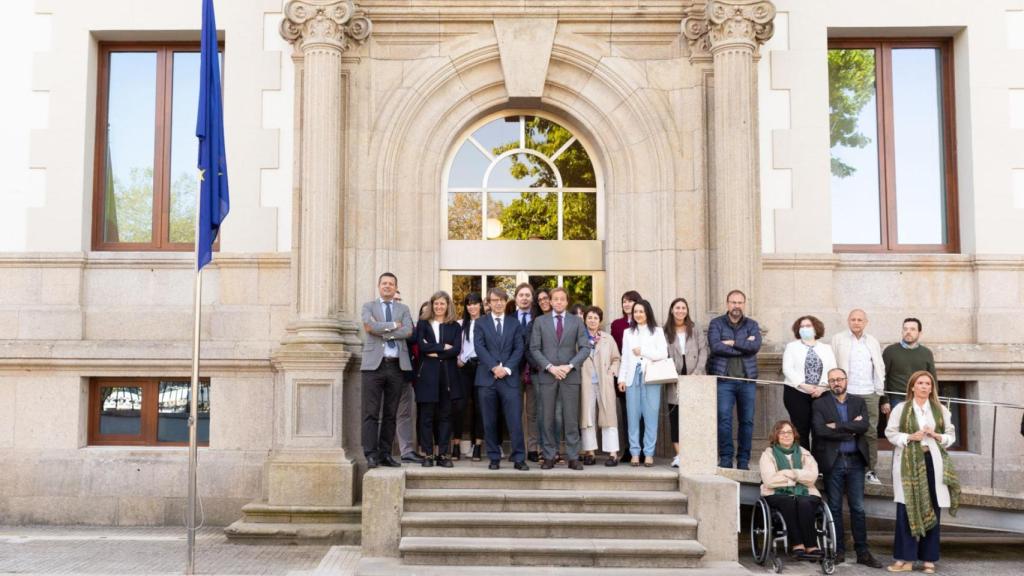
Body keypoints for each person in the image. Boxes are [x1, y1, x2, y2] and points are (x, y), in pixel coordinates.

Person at [885, 371, 960, 574]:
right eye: (920, 383)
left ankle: (929, 558)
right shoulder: (901, 408)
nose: (925, 386)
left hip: (932, 461)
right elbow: (890, 433)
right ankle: (905, 559)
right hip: (908, 463)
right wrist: (910, 436)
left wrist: (936, 435)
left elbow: (951, 435)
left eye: (928, 383)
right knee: (906, 508)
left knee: (932, 507)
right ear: (912, 387)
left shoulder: (940, 409)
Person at [812, 368, 883, 568]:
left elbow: (864, 427)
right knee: (834, 507)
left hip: (855, 462)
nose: (836, 383)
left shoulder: (858, 402)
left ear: (846, 380)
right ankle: (838, 550)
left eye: (840, 379)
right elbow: (820, 430)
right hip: (833, 462)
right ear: (828, 383)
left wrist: (837, 426)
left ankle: (863, 552)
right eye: (832, 380)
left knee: (858, 508)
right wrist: (849, 427)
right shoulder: (820, 404)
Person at [530, 286, 591, 470]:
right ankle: (549, 456)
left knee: (571, 418)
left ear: (566, 301)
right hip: (547, 376)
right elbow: (534, 349)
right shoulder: (540, 321)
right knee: (547, 417)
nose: (558, 302)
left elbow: (585, 348)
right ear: (550, 301)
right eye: (555, 299)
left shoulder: (577, 322)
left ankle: (573, 457)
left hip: (570, 375)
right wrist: (550, 367)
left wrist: (569, 365)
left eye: (561, 299)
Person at [360, 272, 413, 468]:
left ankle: (385, 453)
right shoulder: (368, 306)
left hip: (396, 366)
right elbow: (369, 326)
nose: (388, 286)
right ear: (378, 286)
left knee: (391, 413)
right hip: (374, 366)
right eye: (384, 283)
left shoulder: (403, 308)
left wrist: (383, 331)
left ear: (395, 287)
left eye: (391, 284)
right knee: (371, 412)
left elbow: (407, 331)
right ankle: (370, 453)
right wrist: (392, 326)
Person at [474, 287, 529, 471]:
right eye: (494, 300)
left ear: (506, 302)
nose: (498, 303)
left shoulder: (515, 324)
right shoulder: (481, 323)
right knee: (489, 421)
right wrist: (494, 367)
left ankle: (519, 457)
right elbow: (479, 347)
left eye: (501, 300)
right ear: (488, 303)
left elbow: (519, 349)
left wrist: (505, 368)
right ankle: (494, 457)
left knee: (514, 420)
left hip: (509, 379)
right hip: (486, 379)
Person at [708, 289, 762, 469]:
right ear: (727, 303)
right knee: (724, 421)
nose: (736, 306)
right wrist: (744, 344)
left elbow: (755, 347)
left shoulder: (752, 324)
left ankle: (743, 460)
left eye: (739, 302)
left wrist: (732, 343)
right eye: (733, 302)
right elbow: (715, 347)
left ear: (744, 304)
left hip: (747, 381)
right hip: (724, 381)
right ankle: (725, 458)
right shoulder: (716, 323)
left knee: (746, 421)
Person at [831, 309, 886, 485]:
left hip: (869, 391)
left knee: (870, 431)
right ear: (848, 321)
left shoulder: (872, 341)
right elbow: (833, 365)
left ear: (866, 322)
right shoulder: (838, 339)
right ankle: (843, 467)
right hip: (848, 392)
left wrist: (879, 390)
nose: (856, 322)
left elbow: (878, 365)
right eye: (853, 319)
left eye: (860, 320)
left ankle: (871, 470)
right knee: (845, 428)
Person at [759, 420, 824, 560]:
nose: (786, 435)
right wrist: (797, 477)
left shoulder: (804, 453)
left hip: (806, 492)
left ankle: (811, 545)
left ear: (794, 435)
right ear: (776, 435)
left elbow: (812, 477)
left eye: (789, 432)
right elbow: (770, 480)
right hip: (776, 494)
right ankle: (797, 544)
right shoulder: (768, 455)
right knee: (788, 502)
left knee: (803, 502)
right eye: (782, 433)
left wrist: (790, 473)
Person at [413, 291, 462, 467]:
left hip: (448, 376)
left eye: (442, 303)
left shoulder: (455, 326)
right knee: (426, 416)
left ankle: (442, 454)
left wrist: (435, 352)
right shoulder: (423, 324)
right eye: (436, 304)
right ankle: (427, 454)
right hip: (427, 376)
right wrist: (442, 347)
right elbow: (422, 346)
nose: (439, 307)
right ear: (432, 305)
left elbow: (456, 350)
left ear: (448, 305)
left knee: (445, 416)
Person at [617, 299, 668, 467]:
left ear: (648, 313)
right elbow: (625, 357)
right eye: (636, 311)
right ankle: (634, 453)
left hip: (651, 378)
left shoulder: (657, 331)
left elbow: (663, 353)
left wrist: (643, 351)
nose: (638, 314)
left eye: (641, 311)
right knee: (633, 417)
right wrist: (621, 379)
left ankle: (649, 453)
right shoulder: (627, 332)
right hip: (632, 379)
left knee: (651, 417)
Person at [664, 297, 709, 468]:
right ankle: (679, 454)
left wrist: (697, 372)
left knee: (694, 416)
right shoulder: (665, 330)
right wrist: (672, 374)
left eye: (683, 308)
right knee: (675, 416)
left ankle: (695, 453)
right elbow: (664, 354)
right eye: (677, 308)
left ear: (687, 310)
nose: (680, 310)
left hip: (695, 377)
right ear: (672, 310)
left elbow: (703, 350)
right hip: (674, 378)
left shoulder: (695, 329)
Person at [782, 315, 836, 451]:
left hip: (821, 393)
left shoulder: (826, 348)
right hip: (796, 393)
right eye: (802, 326)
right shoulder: (792, 347)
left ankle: (820, 466)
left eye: (808, 326)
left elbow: (832, 370)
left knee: (820, 430)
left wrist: (822, 387)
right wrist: (804, 385)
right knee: (801, 430)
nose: (804, 329)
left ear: (816, 328)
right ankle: (805, 464)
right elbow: (787, 369)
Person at [580, 306, 622, 466]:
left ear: (600, 321)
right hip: (586, 382)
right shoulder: (579, 338)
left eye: (595, 318)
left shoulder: (607, 338)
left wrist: (612, 371)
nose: (592, 320)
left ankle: (612, 453)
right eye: (589, 317)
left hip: (604, 382)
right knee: (587, 417)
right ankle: (589, 452)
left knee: (609, 416)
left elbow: (616, 358)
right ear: (585, 319)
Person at [880, 318, 936, 433]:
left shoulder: (926, 353)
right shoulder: (890, 351)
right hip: (897, 398)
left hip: (921, 398)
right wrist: (884, 400)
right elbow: (882, 376)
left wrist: (933, 401)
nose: (908, 332)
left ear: (920, 333)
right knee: (899, 433)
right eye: (905, 329)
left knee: (919, 431)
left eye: (912, 329)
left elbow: (932, 379)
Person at [394, 292, 425, 464]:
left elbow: (412, 337)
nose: (397, 302)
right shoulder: (375, 315)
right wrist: (395, 327)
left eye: (400, 299)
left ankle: (406, 451)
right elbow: (374, 333)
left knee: (404, 414)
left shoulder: (407, 318)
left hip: (404, 373)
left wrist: (389, 329)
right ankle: (380, 450)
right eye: (395, 299)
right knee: (382, 413)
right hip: (381, 371)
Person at [512, 283, 541, 462]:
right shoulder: (508, 318)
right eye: (521, 295)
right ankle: (517, 448)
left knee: (532, 412)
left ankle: (532, 448)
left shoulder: (539, 318)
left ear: (532, 298)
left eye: (527, 295)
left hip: (533, 371)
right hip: (513, 372)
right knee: (515, 411)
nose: (524, 298)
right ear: (515, 298)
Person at [611, 290, 642, 461]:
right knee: (626, 412)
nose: (627, 304)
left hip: (642, 373)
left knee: (642, 413)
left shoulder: (645, 323)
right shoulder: (616, 324)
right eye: (624, 301)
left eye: (631, 301)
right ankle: (629, 449)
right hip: (623, 373)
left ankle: (644, 449)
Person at [455, 292, 484, 461]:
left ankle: (477, 446)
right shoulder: (460, 324)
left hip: (481, 366)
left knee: (480, 408)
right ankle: (456, 445)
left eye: (475, 303)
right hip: (464, 368)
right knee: (460, 406)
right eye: (469, 304)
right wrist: (458, 359)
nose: (472, 307)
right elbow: (457, 345)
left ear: (480, 305)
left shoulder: (487, 323)